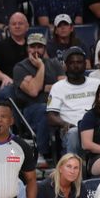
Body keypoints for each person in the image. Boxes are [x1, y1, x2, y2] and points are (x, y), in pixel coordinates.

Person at [14, 32, 66, 161]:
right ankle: (41, 153)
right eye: (32, 46)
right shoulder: (20, 67)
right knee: (45, 109)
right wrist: (41, 66)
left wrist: (45, 87)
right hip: (31, 109)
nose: (36, 50)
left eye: (39, 46)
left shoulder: (54, 63)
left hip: (57, 106)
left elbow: (64, 88)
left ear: (44, 49)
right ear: (27, 48)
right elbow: (33, 91)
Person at [47, 47, 100, 156]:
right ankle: (73, 168)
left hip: (97, 127)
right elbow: (51, 116)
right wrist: (65, 124)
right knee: (74, 133)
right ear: (65, 65)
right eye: (72, 62)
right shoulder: (58, 87)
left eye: (79, 62)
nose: (76, 65)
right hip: (73, 129)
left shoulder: (96, 83)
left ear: (85, 64)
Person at [0, 12, 30, 100]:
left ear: (27, 27)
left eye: (20, 23)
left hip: (30, 85)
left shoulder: (34, 46)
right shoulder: (0, 46)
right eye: (14, 24)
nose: (17, 26)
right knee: (7, 92)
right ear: (9, 28)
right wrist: (4, 77)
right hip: (10, 85)